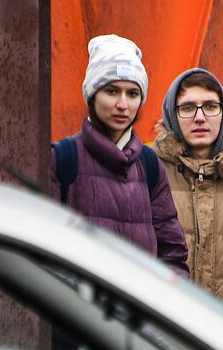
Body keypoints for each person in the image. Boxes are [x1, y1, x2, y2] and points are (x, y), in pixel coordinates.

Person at [50, 34, 188, 275]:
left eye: (133, 94)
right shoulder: (63, 158)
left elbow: (172, 254)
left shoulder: (149, 164)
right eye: (112, 91)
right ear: (92, 96)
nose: (123, 105)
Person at [152, 68, 223, 317]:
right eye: (187, 107)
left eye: (210, 106)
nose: (199, 117)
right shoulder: (152, 169)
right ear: (172, 115)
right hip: (166, 329)